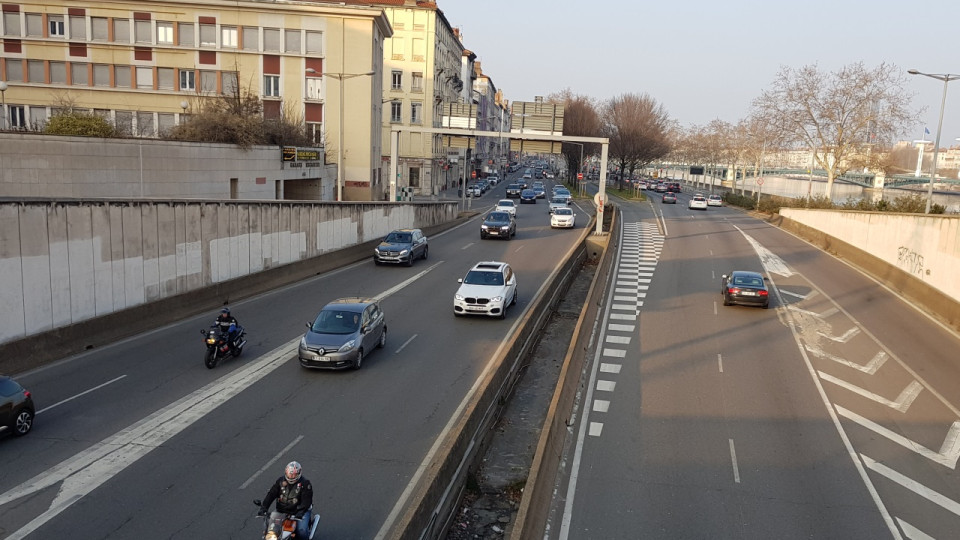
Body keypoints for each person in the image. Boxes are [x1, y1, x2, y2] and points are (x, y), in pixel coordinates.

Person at [258, 461, 314, 538]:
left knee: (302, 530)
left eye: (294, 474)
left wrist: (300, 512)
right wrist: (264, 507)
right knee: (269, 528)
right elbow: (271, 494)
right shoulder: (280, 481)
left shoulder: (305, 484)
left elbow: (306, 501)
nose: (291, 476)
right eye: (289, 474)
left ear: (299, 473)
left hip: (299, 512)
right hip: (281, 510)